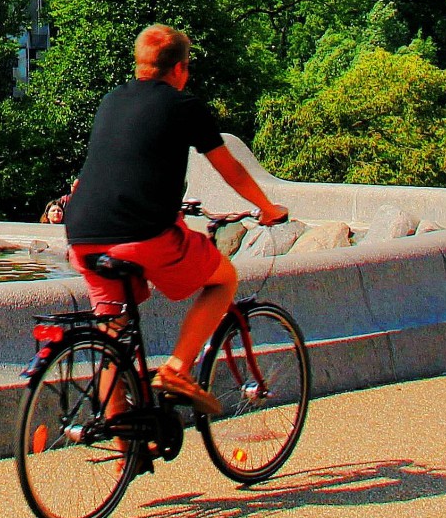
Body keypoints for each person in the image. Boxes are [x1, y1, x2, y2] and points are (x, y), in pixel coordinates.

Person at [62, 24, 288, 417]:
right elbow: (228, 168)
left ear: (139, 64)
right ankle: (177, 369)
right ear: (180, 69)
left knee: (113, 334)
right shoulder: (185, 107)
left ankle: (122, 446)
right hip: (143, 237)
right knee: (224, 280)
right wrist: (267, 208)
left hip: (82, 234)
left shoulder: (111, 100)